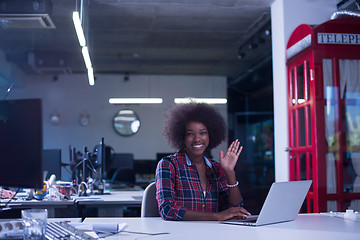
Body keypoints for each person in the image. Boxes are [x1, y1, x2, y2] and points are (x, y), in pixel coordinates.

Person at [155, 102, 251, 221]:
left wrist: (230, 172)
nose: (197, 139)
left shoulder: (216, 168)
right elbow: (167, 210)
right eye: (190, 134)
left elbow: (235, 209)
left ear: (210, 135)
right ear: (181, 137)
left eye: (203, 133)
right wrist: (217, 216)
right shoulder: (168, 165)